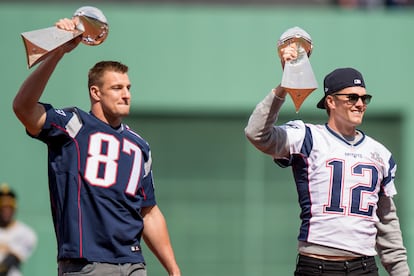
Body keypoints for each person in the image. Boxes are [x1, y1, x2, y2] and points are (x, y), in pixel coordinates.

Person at [13, 18, 181, 276]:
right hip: (87, 264)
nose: (126, 94)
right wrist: (57, 52)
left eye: (128, 87)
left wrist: (173, 269)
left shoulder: (139, 146)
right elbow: (23, 108)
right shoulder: (73, 125)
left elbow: (149, 212)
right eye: (116, 88)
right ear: (95, 92)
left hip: (134, 263)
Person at [244, 44, 410, 275]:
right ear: (331, 102)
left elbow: (387, 222)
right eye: (352, 97)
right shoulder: (308, 137)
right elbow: (257, 134)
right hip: (317, 264)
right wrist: (284, 87)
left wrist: (400, 272)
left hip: (364, 266)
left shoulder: (380, 153)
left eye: (364, 98)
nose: (360, 104)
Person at [0, 183, 37, 276]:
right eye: (3, 208)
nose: (6, 211)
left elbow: (10, 261)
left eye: (9, 208)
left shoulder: (26, 233)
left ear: (14, 208)